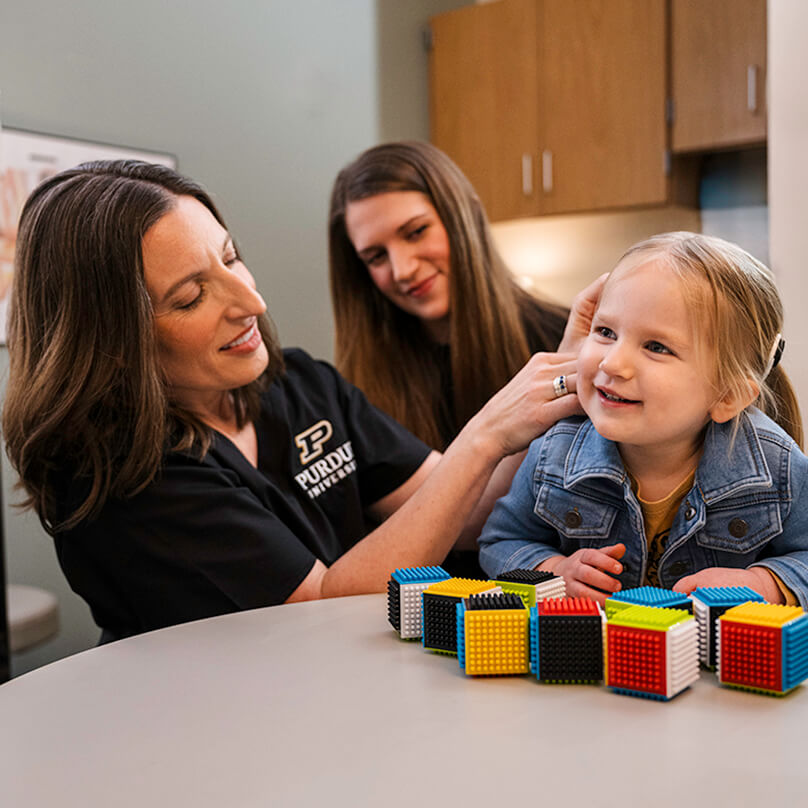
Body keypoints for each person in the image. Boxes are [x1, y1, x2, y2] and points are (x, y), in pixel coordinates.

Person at [3, 160, 593, 641]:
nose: (251, 302)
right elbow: (320, 610)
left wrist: (566, 367)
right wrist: (486, 434)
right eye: (190, 297)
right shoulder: (130, 475)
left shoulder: (301, 384)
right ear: (113, 342)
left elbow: (464, 510)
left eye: (231, 257)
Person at [478, 232, 808, 608]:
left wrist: (763, 582)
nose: (612, 363)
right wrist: (554, 569)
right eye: (605, 332)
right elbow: (500, 541)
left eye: (656, 347)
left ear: (727, 396)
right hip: (600, 663)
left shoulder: (777, 465)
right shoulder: (555, 451)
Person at [329, 141, 580, 452]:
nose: (402, 270)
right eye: (376, 256)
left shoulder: (563, 342)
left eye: (416, 232)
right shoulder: (357, 391)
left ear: (464, 217)